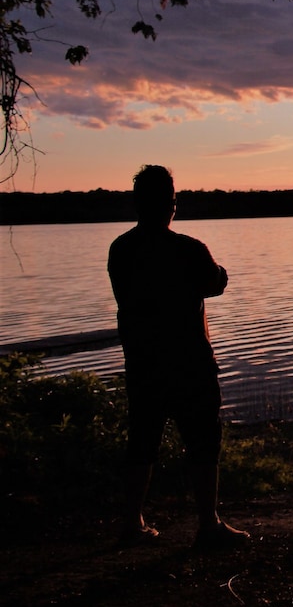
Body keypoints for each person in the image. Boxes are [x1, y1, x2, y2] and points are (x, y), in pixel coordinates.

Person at [108, 164, 249, 549]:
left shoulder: (121, 249)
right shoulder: (187, 249)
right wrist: (217, 270)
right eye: (171, 199)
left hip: (143, 364)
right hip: (190, 364)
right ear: (172, 205)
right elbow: (216, 282)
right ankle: (208, 524)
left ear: (136, 204)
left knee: (141, 441)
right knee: (203, 442)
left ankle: (132, 522)